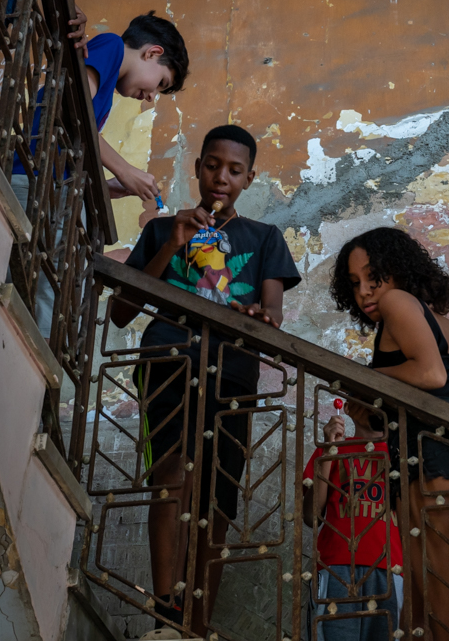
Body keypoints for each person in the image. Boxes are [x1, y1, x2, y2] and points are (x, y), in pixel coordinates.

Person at [111, 125, 301, 636]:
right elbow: (121, 311)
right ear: (197, 168)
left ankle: (195, 624)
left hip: (232, 373)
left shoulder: (265, 237)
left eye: (234, 170)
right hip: (167, 362)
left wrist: (259, 316)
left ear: (249, 178)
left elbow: (273, 316)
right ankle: (165, 610)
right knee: (171, 474)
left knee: (219, 498)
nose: (221, 178)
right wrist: (173, 242)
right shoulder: (162, 230)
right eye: (213, 165)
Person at [330, 227, 449, 641]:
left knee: (444, 610)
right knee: (426, 609)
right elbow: (433, 392)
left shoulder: (397, 302)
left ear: (399, 271)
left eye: (374, 277)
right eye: (354, 283)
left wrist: (364, 377)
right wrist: (369, 408)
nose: (364, 292)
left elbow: (431, 374)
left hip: (434, 466)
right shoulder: (436, 321)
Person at [10, 10, 189, 337]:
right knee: (46, 295)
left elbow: (75, 142)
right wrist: (125, 169)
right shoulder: (112, 47)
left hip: (45, 185)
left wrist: (107, 187)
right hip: (33, 179)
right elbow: (73, 114)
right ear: (152, 53)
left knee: (40, 288)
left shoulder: (105, 92)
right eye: (160, 84)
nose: (151, 97)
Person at [303, 396, 403, 641]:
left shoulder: (399, 457)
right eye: (366, 397)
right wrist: (329, 449)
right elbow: (312, 516)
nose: (375, 405)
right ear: (347, 407)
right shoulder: (333, 449)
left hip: (389, 569)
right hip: (336, 566)